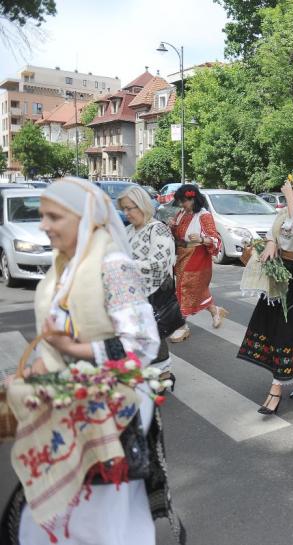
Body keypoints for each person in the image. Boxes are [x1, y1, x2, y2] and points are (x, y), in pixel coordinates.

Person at [1, 177, 184, 545]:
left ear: (84, 218)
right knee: (48, 513)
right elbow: (55, 335)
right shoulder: (63, 267)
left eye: (54, 217)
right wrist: (35, 371)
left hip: (109, 412)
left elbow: (142, 342)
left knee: (96, 522)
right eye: (42, 216)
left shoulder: (112, 265)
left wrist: (72, 349)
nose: (43, 225)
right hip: (69, 402)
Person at [237, 171, 293, 414]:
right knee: (274, 328)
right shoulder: (284, 213)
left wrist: (289, 200)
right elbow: (273, 233)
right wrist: (270, 243)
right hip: (280, 273)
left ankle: (276, 388)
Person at [118, 186, 177, 379]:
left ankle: (163, 375)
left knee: (154, 335)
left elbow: (159, 263)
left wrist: (127, 265)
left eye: (130, 208)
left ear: (142, 205)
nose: (126, 213)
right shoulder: (128, 230)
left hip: (156, 291)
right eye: (124, 209)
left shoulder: (158, 229)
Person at [167, 184, 227, 342]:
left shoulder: (204, 215)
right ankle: (215, 311)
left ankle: (182, 326)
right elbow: (177, 235)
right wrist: (172, 226)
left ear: (193, 199)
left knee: (185, 287)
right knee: (194, 289)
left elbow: (215, 239)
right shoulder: (181, 213)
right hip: (181, 254)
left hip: (197, 255)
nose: (181, 205)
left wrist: (201, 239)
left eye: (183, 201)